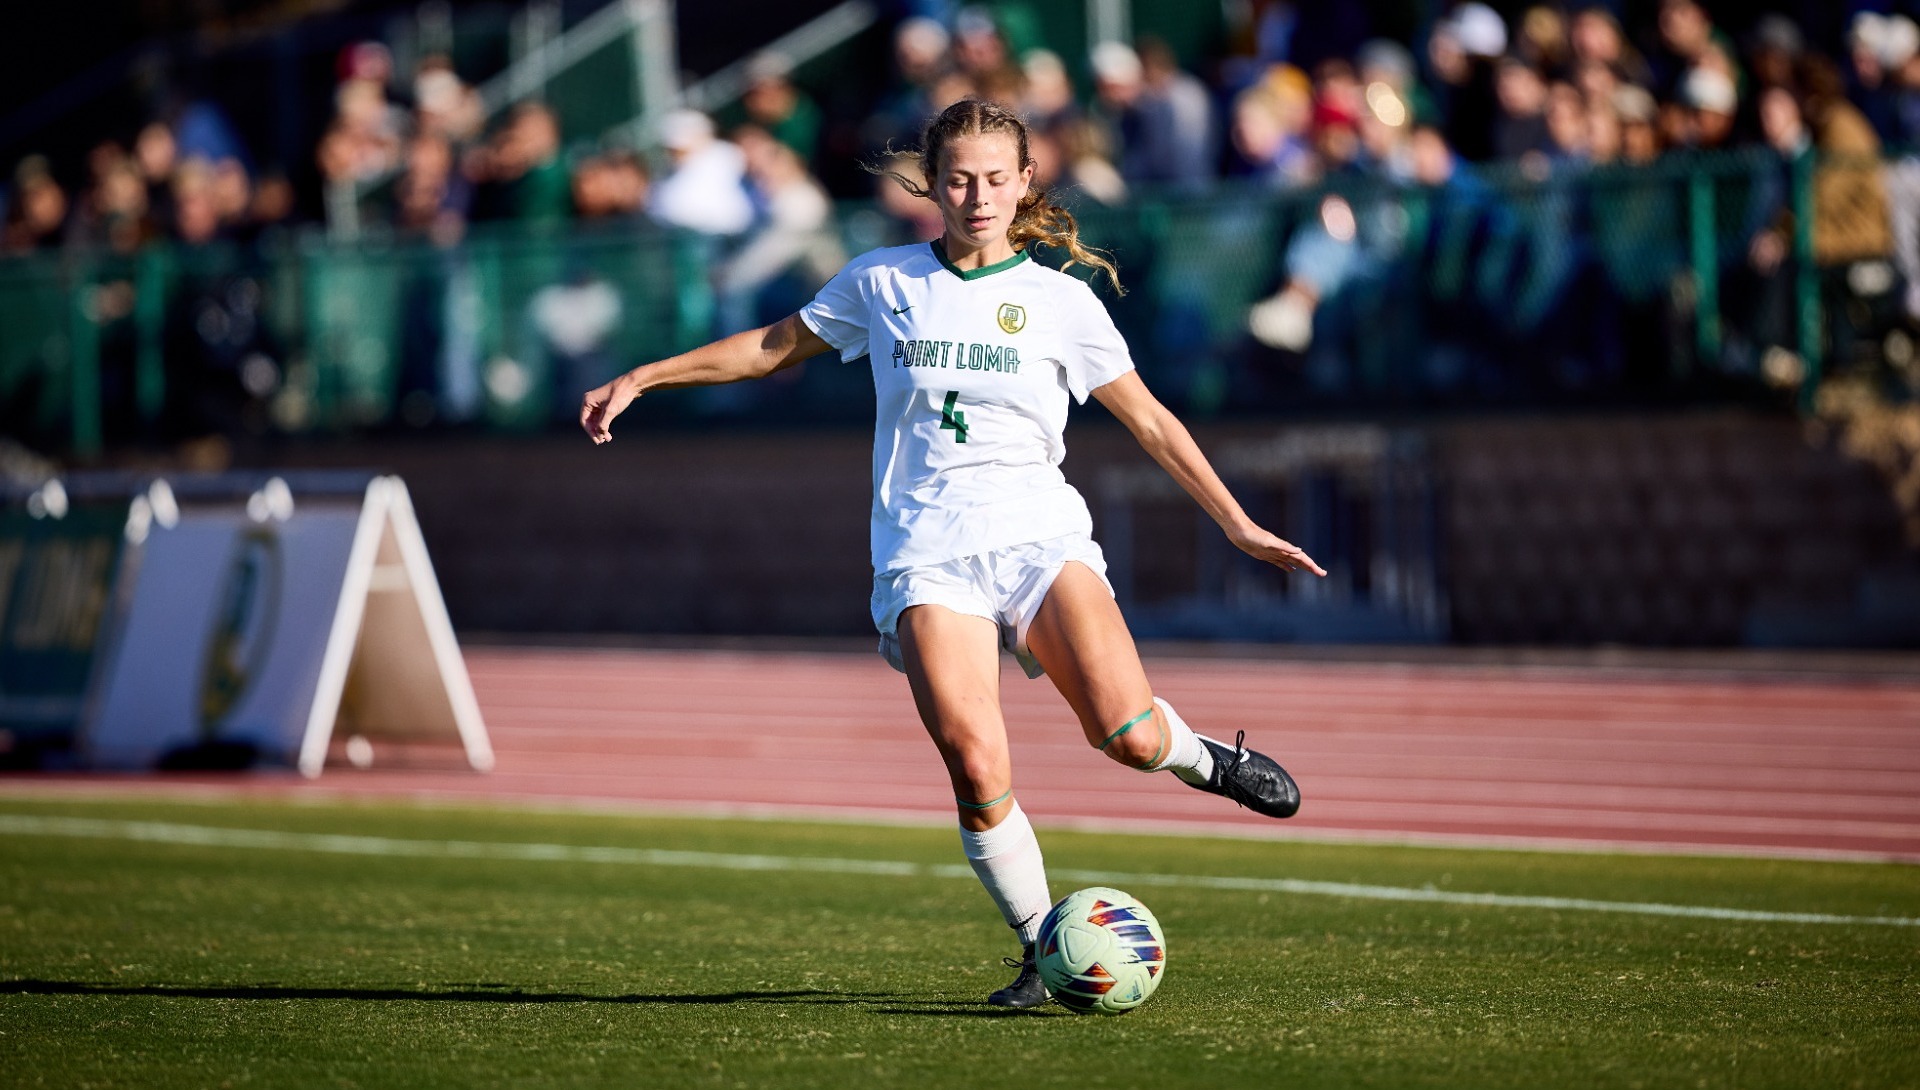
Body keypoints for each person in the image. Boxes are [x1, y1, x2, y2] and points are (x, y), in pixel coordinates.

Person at [579, 99, 1323, 1009]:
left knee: (1126, 735)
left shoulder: (1062, 301)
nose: (977, 196)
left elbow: (1155, 424)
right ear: (931, 183)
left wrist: (1237, 524)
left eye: (996, 179)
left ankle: (1204, 759)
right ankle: (1041, 947)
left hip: (1039, 540)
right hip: (926, 557)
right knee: (976, 764)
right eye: (960, 178)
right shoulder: (881, 281)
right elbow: (771, 349)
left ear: (1024, 185)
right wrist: (644, 377)